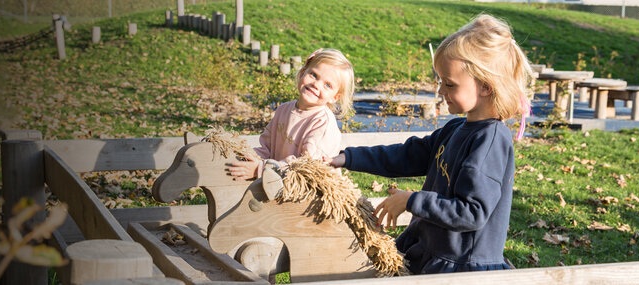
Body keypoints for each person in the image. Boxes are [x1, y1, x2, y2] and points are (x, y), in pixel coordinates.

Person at [327, 14, 532, 274]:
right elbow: (407, 155)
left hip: (460, 269)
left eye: (449, 84)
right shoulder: (456, 128)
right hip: (430, 251)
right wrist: (348, 158)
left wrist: (412, 201)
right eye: (440, 82)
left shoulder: (490, 141)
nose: (440, 91)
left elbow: (472, 212)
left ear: (486, 87)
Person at [228, 48, 355, 180]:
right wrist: (247, 157)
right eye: (314, 75)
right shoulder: (284, 109)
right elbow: (267, 148)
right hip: (277, 179)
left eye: (328, 85)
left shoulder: (323, 123)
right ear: (302, 73)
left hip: (309, 190)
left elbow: (306, 167)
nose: (316, 85)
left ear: (334, 97)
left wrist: (261, 169)